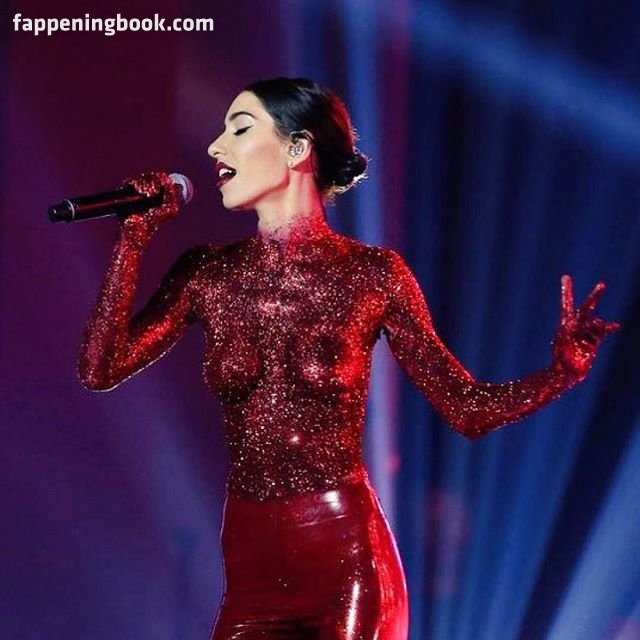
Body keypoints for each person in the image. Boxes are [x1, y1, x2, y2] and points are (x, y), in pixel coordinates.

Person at [77, 77, 619, 639]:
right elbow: (100, 369)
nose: (215, 146)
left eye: (239, 129)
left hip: (345, 563)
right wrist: (133, 240)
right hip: (250, 567)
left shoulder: (372, 275)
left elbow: (466, 408)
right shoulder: (206, 273)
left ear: (297, 148)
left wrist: (562, 374)